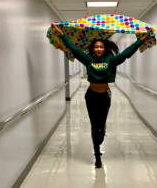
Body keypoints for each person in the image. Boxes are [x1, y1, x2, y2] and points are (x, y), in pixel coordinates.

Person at [52, 23, 149, 168]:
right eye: (96, 46)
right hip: (91, 96)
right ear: (93, 48)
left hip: (105, 97)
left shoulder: (111, 60)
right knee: (93, 124)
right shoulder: (88, 59)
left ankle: (101, 135)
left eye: (101, 47)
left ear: (105, 49)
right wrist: (61, 34)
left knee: (101, 126)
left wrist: (141, 40)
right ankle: (97, 155)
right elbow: (74, 49)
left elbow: (127, 53)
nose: (98, 49)